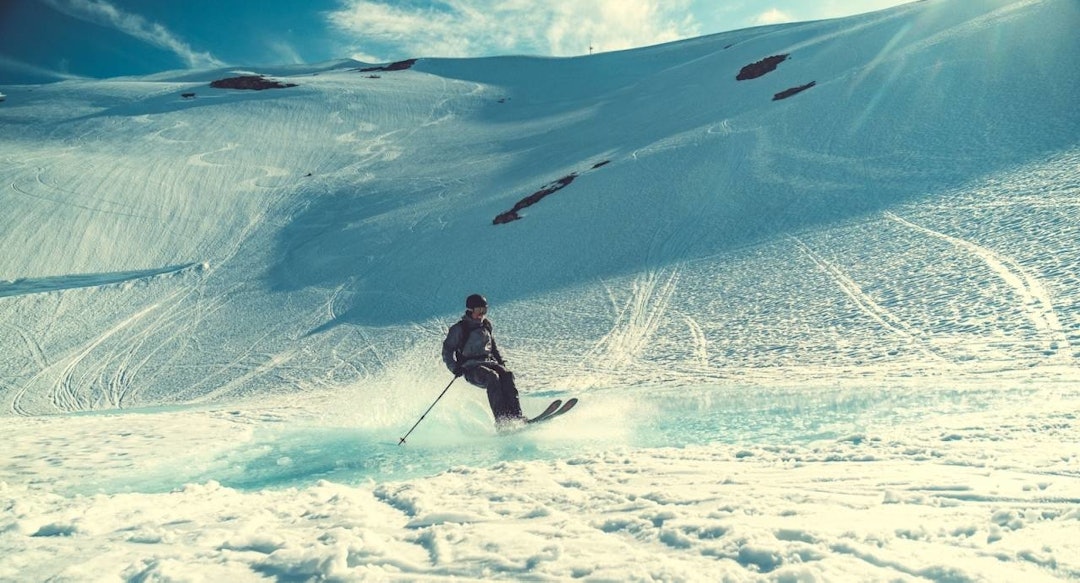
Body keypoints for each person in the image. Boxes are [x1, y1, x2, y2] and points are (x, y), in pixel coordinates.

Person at [442, 294, 525, 426]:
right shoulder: (460, 329)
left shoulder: (486, 326)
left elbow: (493, 347)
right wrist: (454, 367)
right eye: (479, 310)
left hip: (488, 362)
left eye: (484, 310)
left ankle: (516, 417)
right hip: (470, 368)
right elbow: (447, 350)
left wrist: (500, 362)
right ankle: (502, 421)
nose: (482, 314)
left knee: (507, 375)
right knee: (492, 377)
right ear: (470, 310)